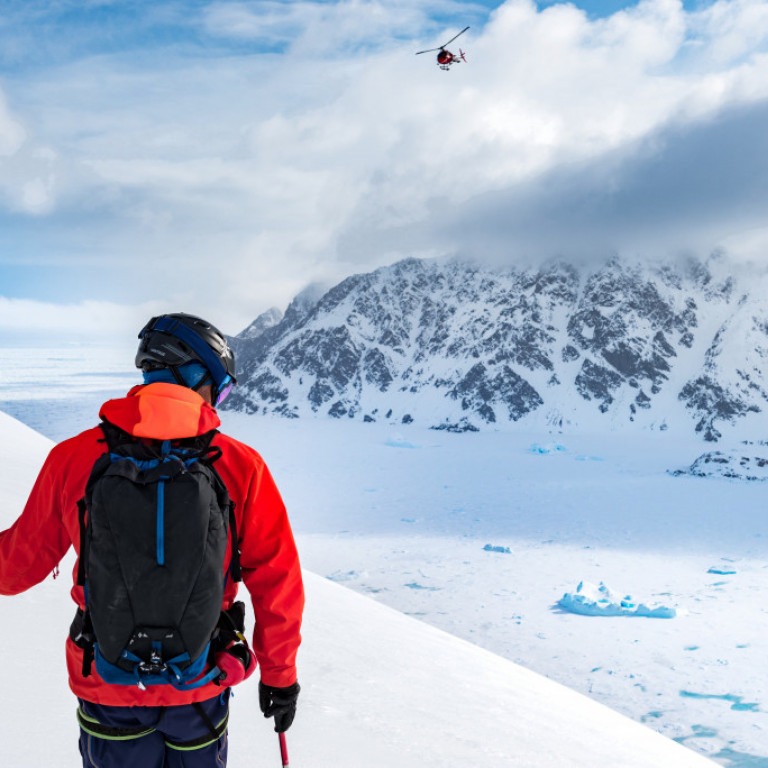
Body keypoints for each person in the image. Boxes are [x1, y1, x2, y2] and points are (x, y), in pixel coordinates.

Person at [0, 313, 304, 767]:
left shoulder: (74, 458)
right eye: (220, 389)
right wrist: (280, 677)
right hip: (200, 682)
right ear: (199, 377)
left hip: (107, 683)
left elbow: (13, 571)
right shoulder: (240, 466)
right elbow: (277, 580)